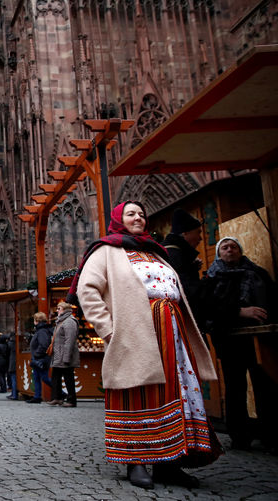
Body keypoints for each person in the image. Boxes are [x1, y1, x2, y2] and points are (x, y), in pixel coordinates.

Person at [70, 201, 220, 490]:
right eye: (131, 214)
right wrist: (109, 330)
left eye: (141, 214)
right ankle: (135, 461)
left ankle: (169, 463)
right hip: (135, 330)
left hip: (171, 331)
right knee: (136, 393)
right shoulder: (106, 250)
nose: (138, 217)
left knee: (173, 393)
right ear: (118, 219)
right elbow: (86, 290)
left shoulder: (156, 250)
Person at [201, 236, 277, 451]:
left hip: (259, 337)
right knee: (235, 387)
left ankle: (270, 433)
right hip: (229, 339)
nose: (229, 250)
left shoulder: (257, 274)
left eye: (233, 247)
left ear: (240, 251)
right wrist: (238, 311)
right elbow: (209, 308)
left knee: (264, 385)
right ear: (219, 253)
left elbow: (271, 299)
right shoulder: (212, 278)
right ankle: (239, 435)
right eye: (225, 247)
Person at [164, 208, 204, 320]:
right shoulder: (176, 256)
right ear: (185, 233)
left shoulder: (172, 252)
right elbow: (190, 293)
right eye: (198, 232)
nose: (200, 238)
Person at [48, 301, 79, 407]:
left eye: (59, 308)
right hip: (58, 354)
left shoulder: (69, 322)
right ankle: (57, 397)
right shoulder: (61, 321)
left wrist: (66, 357)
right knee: (56, 376)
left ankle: (71, 400)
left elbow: (69, 341)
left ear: (65, 310)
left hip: (64, 355)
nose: (57, 310)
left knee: (68, 378)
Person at [26, 312, 52, 404]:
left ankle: (60, 392)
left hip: (41, 358)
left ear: (37, 321)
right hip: (38, 358)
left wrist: (37, 354)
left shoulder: (42, 331)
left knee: (44, 377)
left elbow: (44, 345)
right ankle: (37, 396)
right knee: (36, 377)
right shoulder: (40, 330)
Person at [5, 331, 18, 400]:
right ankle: (14, 393)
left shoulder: (10, 343)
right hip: (16, 362)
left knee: (13, 379)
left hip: (13, 362)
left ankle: (14, 394)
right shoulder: (17, 342)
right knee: (14, 379)